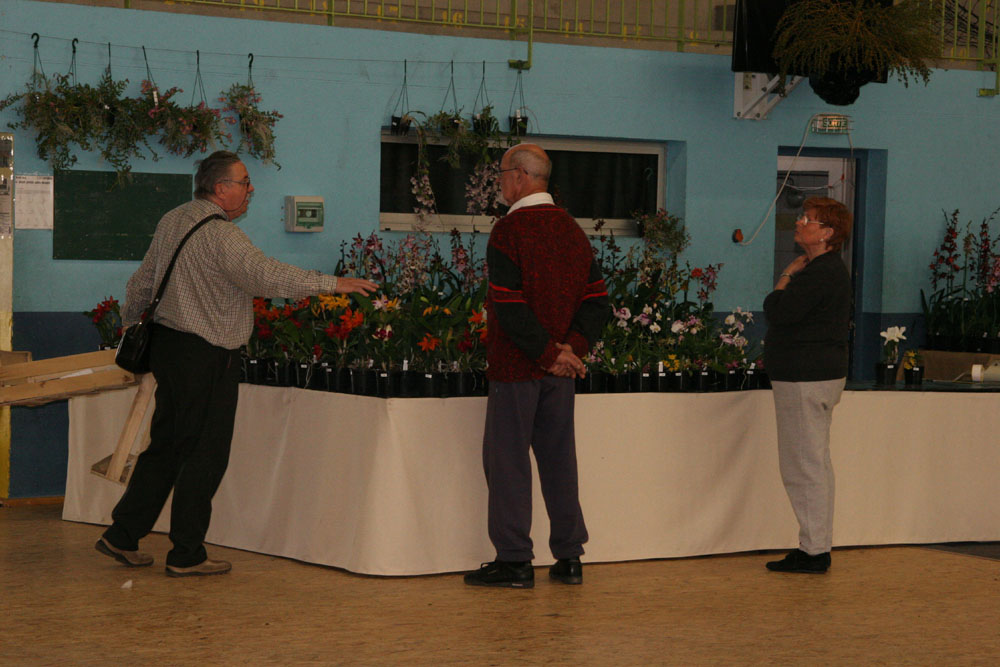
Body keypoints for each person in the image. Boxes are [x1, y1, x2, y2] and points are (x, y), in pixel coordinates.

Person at [95, 151, 377, 577]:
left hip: (169, 349)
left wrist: (133, 325)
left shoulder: (173, 220)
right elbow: (266, 276)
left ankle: (123, 534)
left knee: (167, 445)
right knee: (204, 453)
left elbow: (141, 283)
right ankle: (187, 553)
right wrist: (331, 283)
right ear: (220, 188)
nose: (250, 189)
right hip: (208, 355)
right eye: (244, 182)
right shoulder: (223, 236)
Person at [463, 144, 609, 588]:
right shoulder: (573, 231)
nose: (499, 182)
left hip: (516, 369)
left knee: (507, 462)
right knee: (560, 461)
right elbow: (597, 301)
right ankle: (569, 557)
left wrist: (548, 354)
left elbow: (509, 306)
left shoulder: (508, 231)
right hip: (560, 375)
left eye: (502, 174)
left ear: (521, 176)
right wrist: (570, 351)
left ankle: (514, 561)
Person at [762, 196, 852, 574]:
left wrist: (785, 275)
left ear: (827, 233)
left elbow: (778, 311)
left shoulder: (819, 274)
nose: (799, 223)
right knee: (813, 463)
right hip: (814, 375)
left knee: (804, 466)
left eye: (808, 219)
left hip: (806, 378)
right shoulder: (824, 270)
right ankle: (815, 545)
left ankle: (814, 551)